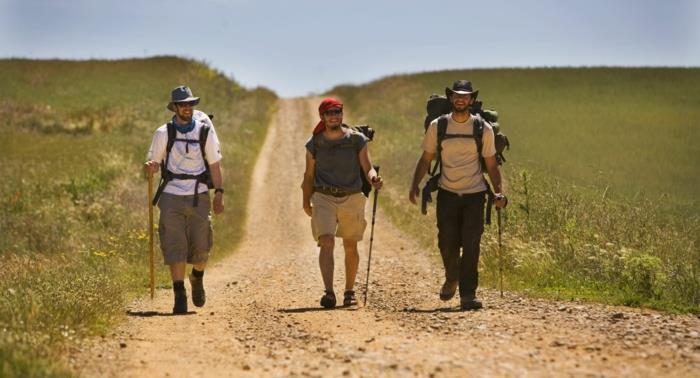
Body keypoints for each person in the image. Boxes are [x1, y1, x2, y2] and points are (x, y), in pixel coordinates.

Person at [409, 80, 507, 310]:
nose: (461, 99)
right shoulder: (438, 126)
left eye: (465, 96)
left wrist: (499, 192)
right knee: (446, 243)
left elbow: (492, 166)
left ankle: (468, 295)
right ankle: (452, 277)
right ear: (451, 99)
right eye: (456, 95)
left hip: (475, 194)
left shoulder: (483, 128)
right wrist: (415, 184)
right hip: (447, 193)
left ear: (472, 100)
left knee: (472, 245)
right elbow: (426, 158)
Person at [144, 85, 224, 314]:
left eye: (190, 104)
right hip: (171, 194)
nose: (187, 108)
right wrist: (150, 168)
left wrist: (219, 193)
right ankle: (179, 293)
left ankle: (197, 277)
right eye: (183, 104)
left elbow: (214, 165)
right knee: (175, 244)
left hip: (199, 194)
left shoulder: (204, 131)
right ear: (175, 107)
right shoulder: (163, 133)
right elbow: (154, 163)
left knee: (202, 248)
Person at [301, 98, 383, 308]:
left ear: (342, 114)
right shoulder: (315, 143)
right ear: (322, 117)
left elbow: (367, 167)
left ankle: (349, 291)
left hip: (352, 195)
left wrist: (374, 178)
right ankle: (329, 292)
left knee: (350, 244)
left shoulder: (357, 140)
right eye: (329, 113)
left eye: (337, 112)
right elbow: (309, 176)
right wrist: (305, 201)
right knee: (326, 241)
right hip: (323, 196)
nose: (334, 116)